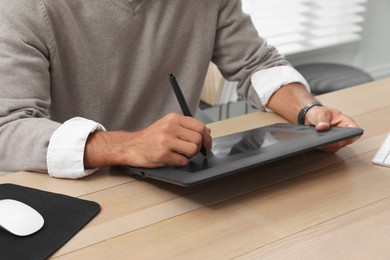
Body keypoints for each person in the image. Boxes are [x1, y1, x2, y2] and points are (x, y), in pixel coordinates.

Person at [0, 0, 359, 179]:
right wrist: (127, 146)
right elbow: (9, 127)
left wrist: (308, 112)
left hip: (183, 177)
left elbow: (256, 63)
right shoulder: (24, 8)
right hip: (77, 188)